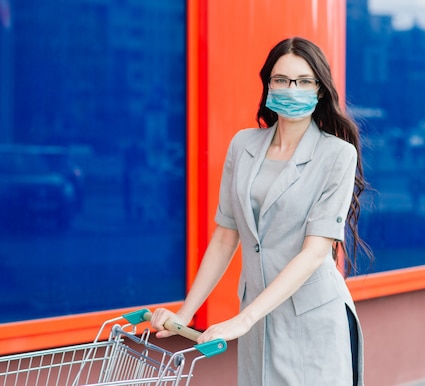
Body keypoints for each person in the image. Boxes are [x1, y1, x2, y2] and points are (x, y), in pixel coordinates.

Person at [150, 36, 371, 386]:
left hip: (310, 316)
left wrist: (245, 319)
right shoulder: (243, 145)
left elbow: (315, 253)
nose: (291, 89)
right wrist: (185, 314)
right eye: (281, 79)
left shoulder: (337, 155)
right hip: (256, 314)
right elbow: (225, 237)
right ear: (268, 84)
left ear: (319, 90)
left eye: (303, 81)